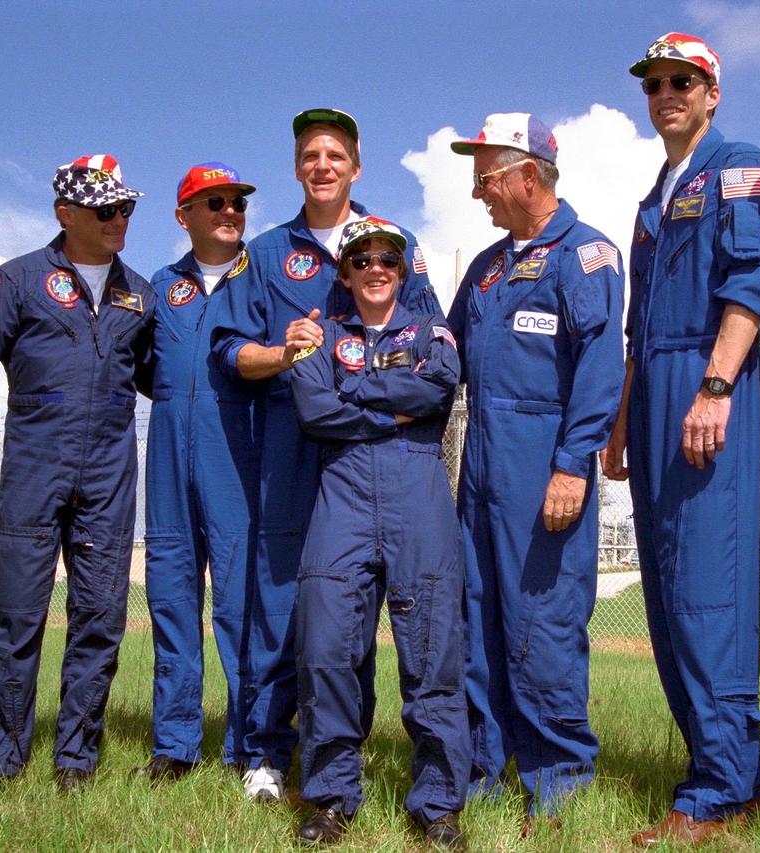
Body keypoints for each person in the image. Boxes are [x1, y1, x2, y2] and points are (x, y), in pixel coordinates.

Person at [212, 108, 441, 800]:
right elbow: (231, 350)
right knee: (285, 598)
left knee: (360, 606)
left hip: (373, 456)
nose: (322, 165)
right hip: (292, 444)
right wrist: (284, 353)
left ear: (356, 165)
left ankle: (345, 749)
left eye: (335, 154)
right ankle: (267, 750)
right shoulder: (269, 251)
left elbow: (430, 340)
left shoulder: (393, 243)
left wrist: (380, 409)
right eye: (310, 154)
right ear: (296, 166)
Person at [600, 33, 760, 846]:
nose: (668, 93)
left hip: (709, 384)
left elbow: (752, 279)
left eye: (684, 80)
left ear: (712, 92)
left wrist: (715, 385)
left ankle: (721, 788)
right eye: (656, 83)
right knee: (671, 596)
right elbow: (639, 329)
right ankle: (727, 775)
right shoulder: (654, 195)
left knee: (710, 593)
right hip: (654, 393)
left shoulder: (738, 164)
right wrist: (621, 419)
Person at [0, 154, 155, 797]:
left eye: (126, 208)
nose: (119, 219)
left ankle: (76, 761)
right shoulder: (16, 280)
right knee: (16, 615)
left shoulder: (138, 293)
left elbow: (158, 376)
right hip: (36, 465)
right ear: (66, 214)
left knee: (99, 616)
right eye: (105, 209)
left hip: (110, 472)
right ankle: (1, 761)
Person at [447, 113, 625, 822]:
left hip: (543, 467)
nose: (477, 193)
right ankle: (483, 768)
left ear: (527, 175)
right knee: (479, 618)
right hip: (480, 473)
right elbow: (446, 346)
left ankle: (559, 783)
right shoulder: (488, 268)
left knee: (543, 622)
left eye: (485, 178)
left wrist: (572, 465)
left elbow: (599, 369)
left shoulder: (586, 256)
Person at [289, 217, 469, 850]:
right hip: (341, 496)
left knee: (433, 650)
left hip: (416, 491)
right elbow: (313, 409)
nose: (374, 269)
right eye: (360, 260)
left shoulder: (432, 332)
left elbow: (436, 388)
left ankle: (439, 804)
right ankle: (332, 796)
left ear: (402, 269)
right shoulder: (318, 337)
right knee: (327, 648)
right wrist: (388, 408)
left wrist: (354, 396)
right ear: (344, 273)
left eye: (387, 260)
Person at [132, 163, 259, 784]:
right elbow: (139, 364)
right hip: (167, 458)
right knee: (172, 597)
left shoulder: (260, 278)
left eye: (236, 201)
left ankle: (247, 747)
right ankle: (175, 744)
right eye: (213, 203)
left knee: (240, 604)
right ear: (184, 216)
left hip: (237, 458)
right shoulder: (160, 286)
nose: (229, 211)